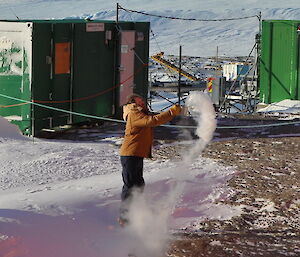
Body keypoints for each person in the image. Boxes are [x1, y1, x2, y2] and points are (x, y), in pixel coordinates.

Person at [118, 94, 181, 226]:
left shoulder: (140, 112)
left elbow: (152, 118)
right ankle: (125, 218)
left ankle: (136, 212)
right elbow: (151, 121)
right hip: (130, 154)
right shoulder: (133, 112)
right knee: (130, 186)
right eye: (140, 99)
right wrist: (171, 112)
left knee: (138, 184)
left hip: (136, 154)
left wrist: (171, 113)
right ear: (133, 102)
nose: (143, 100)